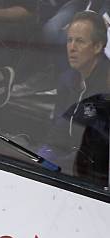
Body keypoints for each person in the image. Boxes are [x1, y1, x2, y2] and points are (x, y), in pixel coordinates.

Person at [42, 11, 110, 177]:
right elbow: (58, 130)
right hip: (67, 167)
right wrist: (45, 154)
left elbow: (99, 150)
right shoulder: (67, 80)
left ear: (97, 46)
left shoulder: (107, 88)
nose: (72, 48)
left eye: (80, 41)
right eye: (69, 40)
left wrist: (59, 164)